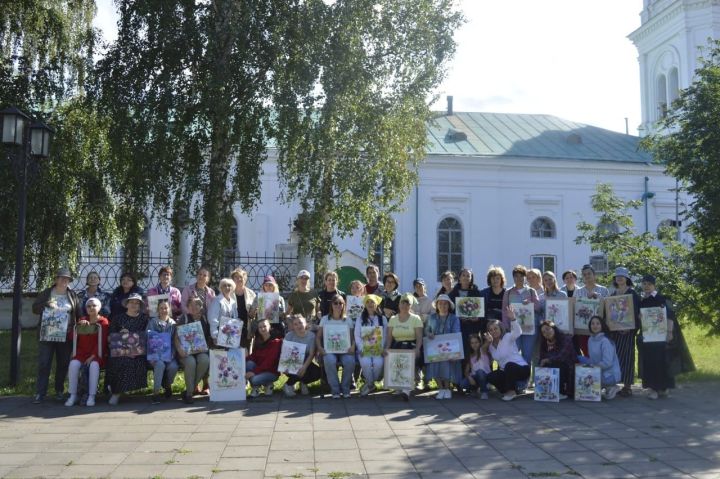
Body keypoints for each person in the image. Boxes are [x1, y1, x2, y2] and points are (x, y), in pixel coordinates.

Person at [637, 275, 694, 399]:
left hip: (661, 336)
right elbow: (641, 318)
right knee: (650, 362)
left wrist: (669, 332)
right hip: (648, 336)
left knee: (662, 361)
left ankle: (663, 387)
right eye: (644, 284)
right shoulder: (643, 301)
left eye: (649, 284)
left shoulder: (662, 298)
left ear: (654, 285)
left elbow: (670, 315)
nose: (646, 286)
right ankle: (653, 389)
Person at [32, 268, 83, 404]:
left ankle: (59, 390)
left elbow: (78, 313)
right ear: (56, 279)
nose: (64, 280)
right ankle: (40, 393)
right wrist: (45, 305)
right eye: (61, 278)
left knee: (63, 364)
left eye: (66, 279)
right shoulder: (46, 293)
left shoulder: (72, 295)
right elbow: (35, 309)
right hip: (47, 334)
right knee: (44, 363)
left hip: (66, 335)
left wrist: (81, 322)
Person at [64, 297, 109, 407]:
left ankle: (91, 395)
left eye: (94, 305)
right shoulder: (83, 320)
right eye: (89, 306)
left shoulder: (103, 322)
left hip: (97, 353)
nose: (91, 308)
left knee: (94, 365)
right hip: (81, 353)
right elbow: (71, 337)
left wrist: (93, 356)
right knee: (73, 365)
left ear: (99, 307)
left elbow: (102, 341)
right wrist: (78, 326)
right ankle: (73, 395)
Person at [106, 293, 149, 405]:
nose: (134, 305)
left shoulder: (144, 319)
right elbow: (111, 338)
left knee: (137, 363)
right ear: (127, 304)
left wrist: (134, 351)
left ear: (140, 306)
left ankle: (117, 391)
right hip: (120, 351)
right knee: (119, 362)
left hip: (139, 352)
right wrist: (121, 338)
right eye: (132, 302)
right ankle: (116, 392)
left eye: (137, 303)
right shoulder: (118, 319)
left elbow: (147, 337)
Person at [384, 293, 423, 401]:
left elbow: (419, 337)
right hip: (397, 346)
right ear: (399, 304)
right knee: (393, 359)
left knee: (409, 360)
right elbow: (389, 337)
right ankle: (397, 386)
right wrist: (387, 348)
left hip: (411, 346)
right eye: (402, 303)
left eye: (407, 303)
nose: (404, 306)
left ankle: (406, 390)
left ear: (411, 306)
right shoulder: (393, 319)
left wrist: (417, 349)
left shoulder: (416, 318)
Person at [501, 265, 540, 375]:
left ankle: (525, 381)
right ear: (513, 278)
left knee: (527, 355)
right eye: (516, 276)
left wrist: (530, 304)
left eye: (521, 276)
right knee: (514, 354)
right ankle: (516, 380)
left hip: (530, 329)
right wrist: (506, 326)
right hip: (514, 329)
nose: (519, 278)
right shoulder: (508, 292)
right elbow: (504, 310)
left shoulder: (531, 291)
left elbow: (538, 307)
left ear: (525, 277)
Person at [485, 308, 530, 401]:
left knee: (509, 365)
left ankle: (511, 391)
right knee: (490, 376)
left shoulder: (507, 337)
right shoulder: (491, 346)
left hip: (521, 369)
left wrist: (513, 319)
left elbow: (518, 332)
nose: (494, 331)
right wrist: (487, 343)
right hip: (507, 372)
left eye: (495, 328)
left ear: (500, 328)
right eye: (491, 330)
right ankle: (509, 390)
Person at [608, 266, 640, 398]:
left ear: (627, 278)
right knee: (616, 358)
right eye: (617, 276)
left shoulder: (632, 294)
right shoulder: (613, 294)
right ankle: (615, 384)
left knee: (627, 358)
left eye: (622, 276)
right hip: (615, 332)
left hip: (628, 332)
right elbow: (609, 313)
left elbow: (638, 313)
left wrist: (631, 328)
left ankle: (627, 387)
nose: (619, 278)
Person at [316, 294, 356, 398]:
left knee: (350, 361)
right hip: (329, 350)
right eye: (335, 303)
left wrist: (352, 346)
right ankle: (335, 390)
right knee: (329, 360)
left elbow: (352, 338)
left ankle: (345, 388)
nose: (338, 305)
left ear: (344, 305)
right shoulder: (325, 319)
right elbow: (318, 337)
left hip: (345, 350)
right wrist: (320, 348)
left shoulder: (348, 320)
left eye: (341, 303)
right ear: (331, 305)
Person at [425, 294, 462, 400]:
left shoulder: (454, 318)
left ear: (449, 305)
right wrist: (428, 334)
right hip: (435, 348)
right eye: (440, 303)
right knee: (434, 363)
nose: (443, 305)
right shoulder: (431, 317)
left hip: (450, 348)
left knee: (447, 363)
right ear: (437, 305)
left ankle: (447, 389)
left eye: (445, 303)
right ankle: (441, 389)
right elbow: (427, 329)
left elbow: (456, 332)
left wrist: (452, 350)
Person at [175, 296, 211, 404]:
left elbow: (209, 336)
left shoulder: (205, 319)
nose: (194, 307)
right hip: (186, 351)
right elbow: (176, 337)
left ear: (201, 307)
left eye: (197, 305)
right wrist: (179, 349)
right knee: (190, 362)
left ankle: (189, 390)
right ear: (188, 307)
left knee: (205, 360)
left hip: (201, 351)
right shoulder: (184, 318)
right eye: (191, 305)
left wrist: (207, 347)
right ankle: (189, 393)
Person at [578, 315, 621, 400]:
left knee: (587, 378)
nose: (595, 326)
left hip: (610, 374)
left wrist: (592, 369)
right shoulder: (590, 339)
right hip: (597, 369)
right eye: (592, 324)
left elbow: (607, 363)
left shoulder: (605, 341)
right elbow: (592, 358)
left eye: (598, 323)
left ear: (602, 326)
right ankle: (600, 386)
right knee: (578, 358)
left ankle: (611, 386)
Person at [354, 294, 386, 396]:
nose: (370, 304)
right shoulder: (360, 318)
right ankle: (371, 384)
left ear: (376, 304)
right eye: (367, 302)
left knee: (379, 363)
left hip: (378, 349)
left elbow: (385, 335)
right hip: (364, 349)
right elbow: (357, 335)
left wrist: (381, 348)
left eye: (372, 302)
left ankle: (370, 383)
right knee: (365, 363)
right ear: (365, 305)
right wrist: (361, 347)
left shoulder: (382, 319)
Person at [574, 264, 610, 356]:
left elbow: (609, 307)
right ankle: (590, 370)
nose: (587, 276)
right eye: (584, 274)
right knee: (587, 353)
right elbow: (575, 308)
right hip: (583, 329)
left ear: (594, 275)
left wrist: (599, 297)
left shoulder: (603, 290)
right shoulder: (578, 291)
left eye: (589, 274)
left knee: (600, 354)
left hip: (600, 329)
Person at [282, 315, 322, 397]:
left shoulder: (311, 336)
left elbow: (311, 354)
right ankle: (288, 384)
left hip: (306, 362)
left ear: (305, 324)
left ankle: (303, 383)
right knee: (295, 369)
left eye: (300, 323)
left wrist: (304, 367)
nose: (298, 326)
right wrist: (284, 366)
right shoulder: (289, 336)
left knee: (317, 372)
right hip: (291, 362)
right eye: (295, 324)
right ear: (293, 326)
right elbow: (285, 353)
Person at [147, 300, 178, 404]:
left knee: (173, 366)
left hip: (169, 355)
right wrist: (152, 356)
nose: (164, 310)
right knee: (160, 365)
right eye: (161, 308)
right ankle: (156, 393)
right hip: (155, 355)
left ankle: (167, 385)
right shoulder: (152, 322)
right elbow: (149, 339)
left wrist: (172, 354)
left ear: (169, 309)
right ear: (157, 310)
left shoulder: (173, 323)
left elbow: (175, 341)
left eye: (166, 308)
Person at [448, 268, 484, 353]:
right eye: (463, 275)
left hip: (472, 327)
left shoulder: (477, 293)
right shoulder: (452, 293)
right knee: (458, 349)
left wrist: (478, 318)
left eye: (468, 276)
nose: (465, 277)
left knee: (471, 350)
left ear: (471, 278)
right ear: (459, 278)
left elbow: (482, 310)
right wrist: (457, 317)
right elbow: (449, 310)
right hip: (457, 327)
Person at [538, 320, 576, 399]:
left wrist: (547, 360)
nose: (546, 333)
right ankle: (546, 390)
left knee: (556, 364)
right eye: (544, 332)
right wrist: (542, 363)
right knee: (544, 365)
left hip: (568, 368)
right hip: (553, 364)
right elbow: (542, 357)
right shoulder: (544, 343)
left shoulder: (565, 339)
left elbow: (561, 356)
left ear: (553, 328)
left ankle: (561, 391)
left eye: (548, 329)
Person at [246, 319, 283, 397]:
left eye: (264, 326)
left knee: (254, 379)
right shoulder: (259, 341)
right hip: (260, 369)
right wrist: (244, 358)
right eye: (260, 327)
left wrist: (254, 372)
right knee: (248, 363)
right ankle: (256, 388)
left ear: (269, 327)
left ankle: (268, 384)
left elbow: (269, 363)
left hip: (271, 372)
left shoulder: (276, 342)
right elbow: (254, 356)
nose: (262, 329)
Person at [208, 278, 239, 346]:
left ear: (232, 288)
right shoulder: (217, 300)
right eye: (224, 285)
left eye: (229, 285)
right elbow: (212, 319)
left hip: (230, 335)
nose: (227, 287)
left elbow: (235, 319)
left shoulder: (233, 302)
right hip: (219, 334)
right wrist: (214, 336)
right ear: (221, 288)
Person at [460, 333, 491, 399]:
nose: (474, 345)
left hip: (485, 376)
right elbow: (466, 371)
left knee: (479, 372)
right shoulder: (470, 356)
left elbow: (487, 343)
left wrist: (488, 340)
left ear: (480, 342)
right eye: (472, 343)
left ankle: (484, 392)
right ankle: (474, 390)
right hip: (475, 377)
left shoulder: (482, 350)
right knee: (463, 384)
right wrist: (469, 377)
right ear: (470, 344)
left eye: (476, 342)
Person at [231, 267, 256, 349]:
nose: (238, 279)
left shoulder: (251, 294)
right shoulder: (228, 292)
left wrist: (253, 313)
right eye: (236, 277)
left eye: (241, 277)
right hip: (232, 328)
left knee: (245, 353)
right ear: (232, 280)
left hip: (246, 328)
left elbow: (255, 313)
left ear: (245, 279)